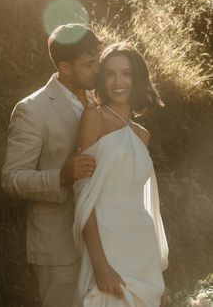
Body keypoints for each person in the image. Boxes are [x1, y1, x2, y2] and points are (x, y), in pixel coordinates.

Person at [1, 23, 101, 307]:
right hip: (58, 247)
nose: (98, 70)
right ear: (65, 67)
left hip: (104, 239)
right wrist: (61, 176)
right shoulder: (31, 110)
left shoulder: (101, 98)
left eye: (99, 61)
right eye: (90, 64)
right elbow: (12, 178)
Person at [72, 42, 169, 307]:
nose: (118, 81)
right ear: (101, 79)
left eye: (126, 73)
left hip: (141, 245)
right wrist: (99, 264)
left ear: (137, 78)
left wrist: (157, 273)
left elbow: (143, 205)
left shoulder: (142, 135)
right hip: (106, 241)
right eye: (110, 73)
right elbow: (83, 192)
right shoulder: (93, 118)